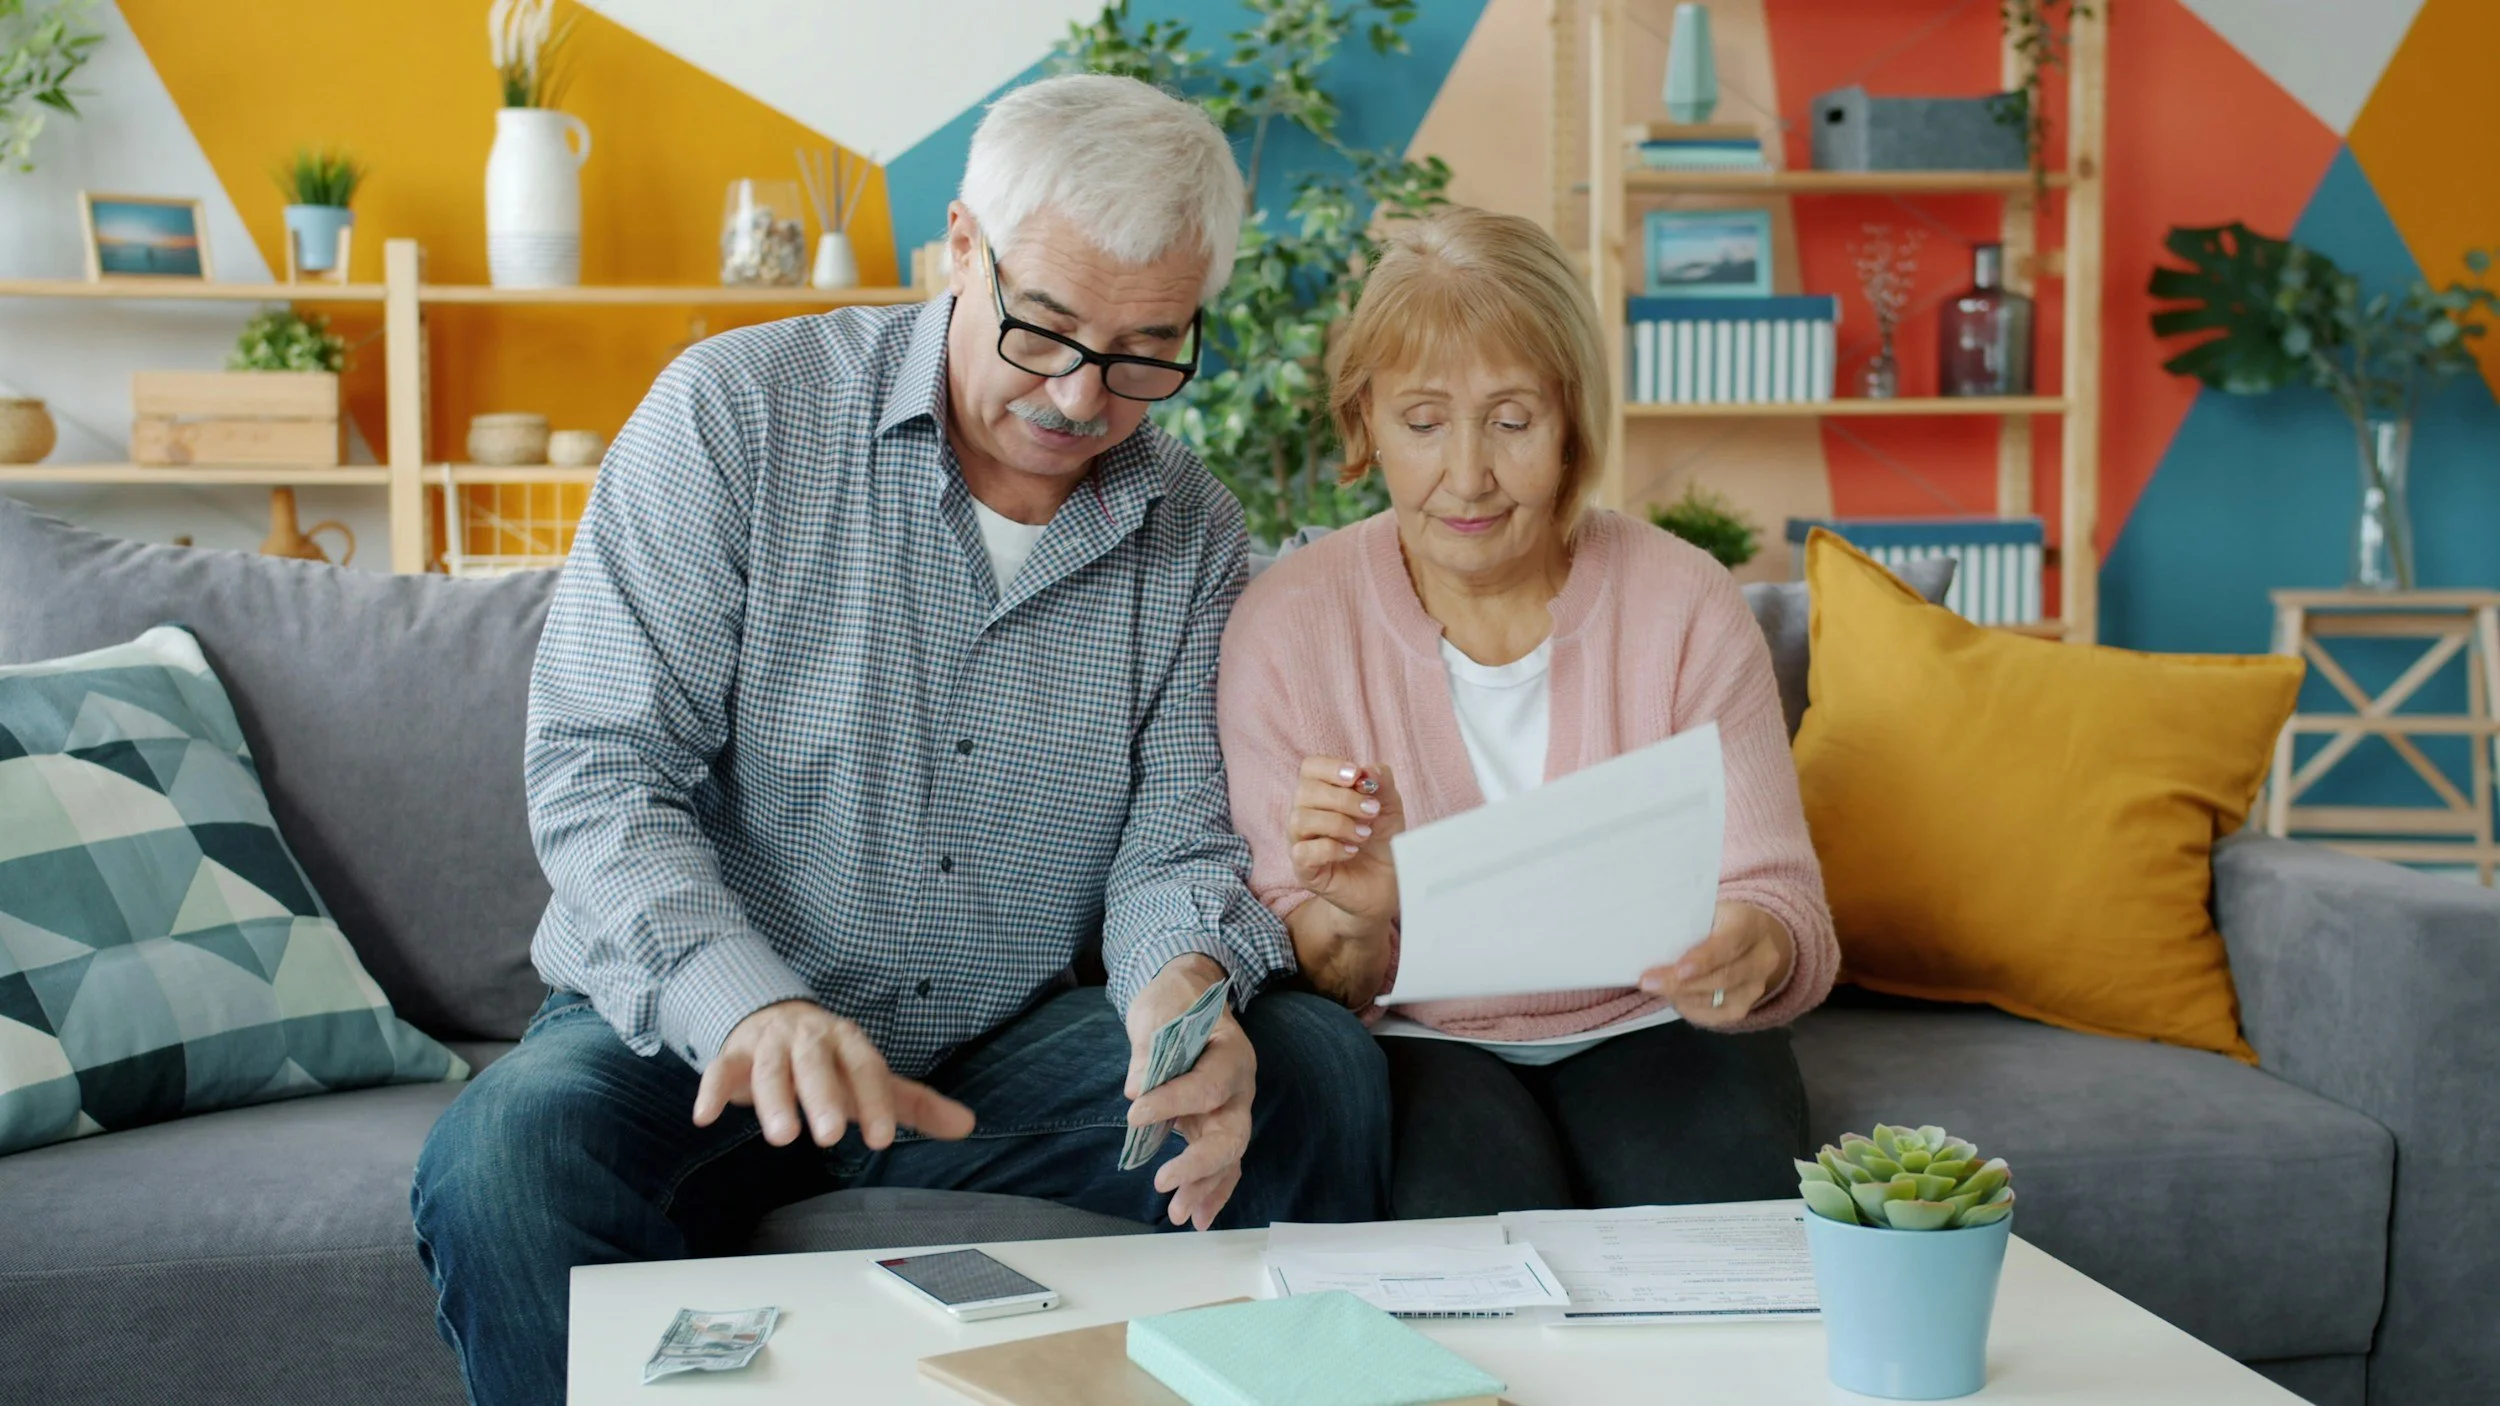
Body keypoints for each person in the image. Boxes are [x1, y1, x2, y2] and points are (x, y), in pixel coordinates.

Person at [412, 74, 1389, 1404]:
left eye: (1147, 347)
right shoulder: (735, 416)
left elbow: (1178, 838)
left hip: (1001, 1043)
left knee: (1310, 1076)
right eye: (1043, 329)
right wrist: (752, 1003)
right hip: (703, 1041)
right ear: (961, 248)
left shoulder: (1191, 528)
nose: (1083, 397)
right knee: (506, 1159)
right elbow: (603, 771)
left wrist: (1180, 994)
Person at [1216, 207, 1837, 1219]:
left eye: (1512, 420)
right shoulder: (1288, 625)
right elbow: (1319, 978)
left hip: (1652, 1020)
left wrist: (1751, 944)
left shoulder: (1681, 597)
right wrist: (1356, 917)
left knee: (1723, 1247)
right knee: (1470, 1260)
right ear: (1362, 421)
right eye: (1422, 422)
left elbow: (1779, 896)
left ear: (1572, 424)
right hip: (1418, 1034)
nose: (1468, 475)